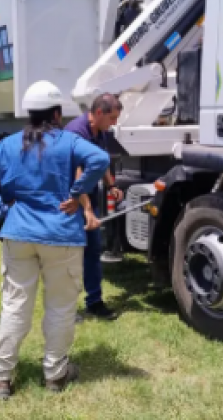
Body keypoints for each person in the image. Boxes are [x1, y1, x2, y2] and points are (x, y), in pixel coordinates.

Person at [0, 80, 110, 400]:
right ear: (58, 113)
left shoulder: (8, 144)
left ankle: (0, 378)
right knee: (60, 307)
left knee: (15, 306)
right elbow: (100, 161)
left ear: (29, 114)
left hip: (18, 234)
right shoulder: (69, 142)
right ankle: (55, 373)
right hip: (61, 235)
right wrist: (77, 193)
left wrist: (0, 210)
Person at [63, 93, 124, 321]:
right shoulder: (76, 132)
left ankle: (95, 302)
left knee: (92, 250)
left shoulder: (101, 132)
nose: (115, 123)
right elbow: (77, 175)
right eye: (112, 118)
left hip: (88, 197)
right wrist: (87, 210)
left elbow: (102, 160)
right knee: (70, 255)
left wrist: (111, 186)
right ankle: (67, 308)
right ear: (99, 113)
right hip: (71, 201)